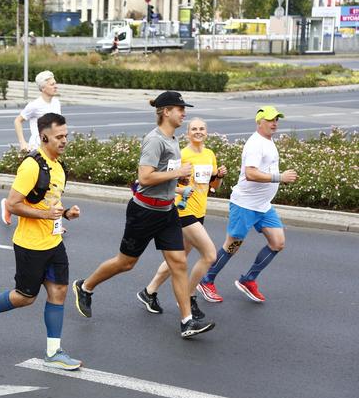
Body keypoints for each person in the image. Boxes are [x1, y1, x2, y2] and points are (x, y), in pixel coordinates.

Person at [72, 91, 216, 338]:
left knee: (179, 263)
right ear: (166, 111)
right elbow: (145, 177)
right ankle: (85, 287)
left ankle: (187, 321)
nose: (184, 113)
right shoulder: (155, 140)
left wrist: (177, 178)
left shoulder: (172, 140)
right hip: (144, 212)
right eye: (180, 109)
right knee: (126, 263)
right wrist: (176, 172)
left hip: (167, 211)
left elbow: (163, 172)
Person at [0, 113, 82, 370]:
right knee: (25, 297)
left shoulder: (58, 165)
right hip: (30, 244)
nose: (65, 140)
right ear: (44, 136)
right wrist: (44, 215)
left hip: (53, 241)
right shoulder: (32, 166)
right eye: (59, 136)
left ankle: (53, 352)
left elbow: (49, 201)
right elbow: (13, 204)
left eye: (66, 135)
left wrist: (64, 213)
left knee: (59, 291)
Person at [197, 106, 298, 303]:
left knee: (278, 243)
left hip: (263, 205)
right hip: (245, 204)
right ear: (259, 121)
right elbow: (251, 173)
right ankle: (206, 280)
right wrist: (280, 177)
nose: (274, 123)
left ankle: (248, 280)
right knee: (232, 246)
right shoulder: (255, 144)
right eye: (270, 119)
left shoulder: (268, 142)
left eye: (277, 119)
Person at [139, 118, 227, 319]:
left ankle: (149, 292)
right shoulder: (182, 154)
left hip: (199, 212)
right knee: (209, 255)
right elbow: (169, 179)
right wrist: (179, 182)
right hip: (183, 211)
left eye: (201, 129)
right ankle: (189, 297)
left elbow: (213, 187)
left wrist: (219, 176)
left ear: (207, 132)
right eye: (194, 129)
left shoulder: (209, 154)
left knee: (178, 259)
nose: (198, 132)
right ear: (187, 133)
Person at [3, 71, 61, 225]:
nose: (55, 86)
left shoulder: (56, 103)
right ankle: (10, 204)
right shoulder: (35, 105)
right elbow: (17, 121)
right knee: (37, 183)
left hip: (52, 149)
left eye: (55, 83)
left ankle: (54, 221)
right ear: (43, 87)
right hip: (37, 149)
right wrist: (22, 143)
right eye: (52, 84)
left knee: (52, 184)